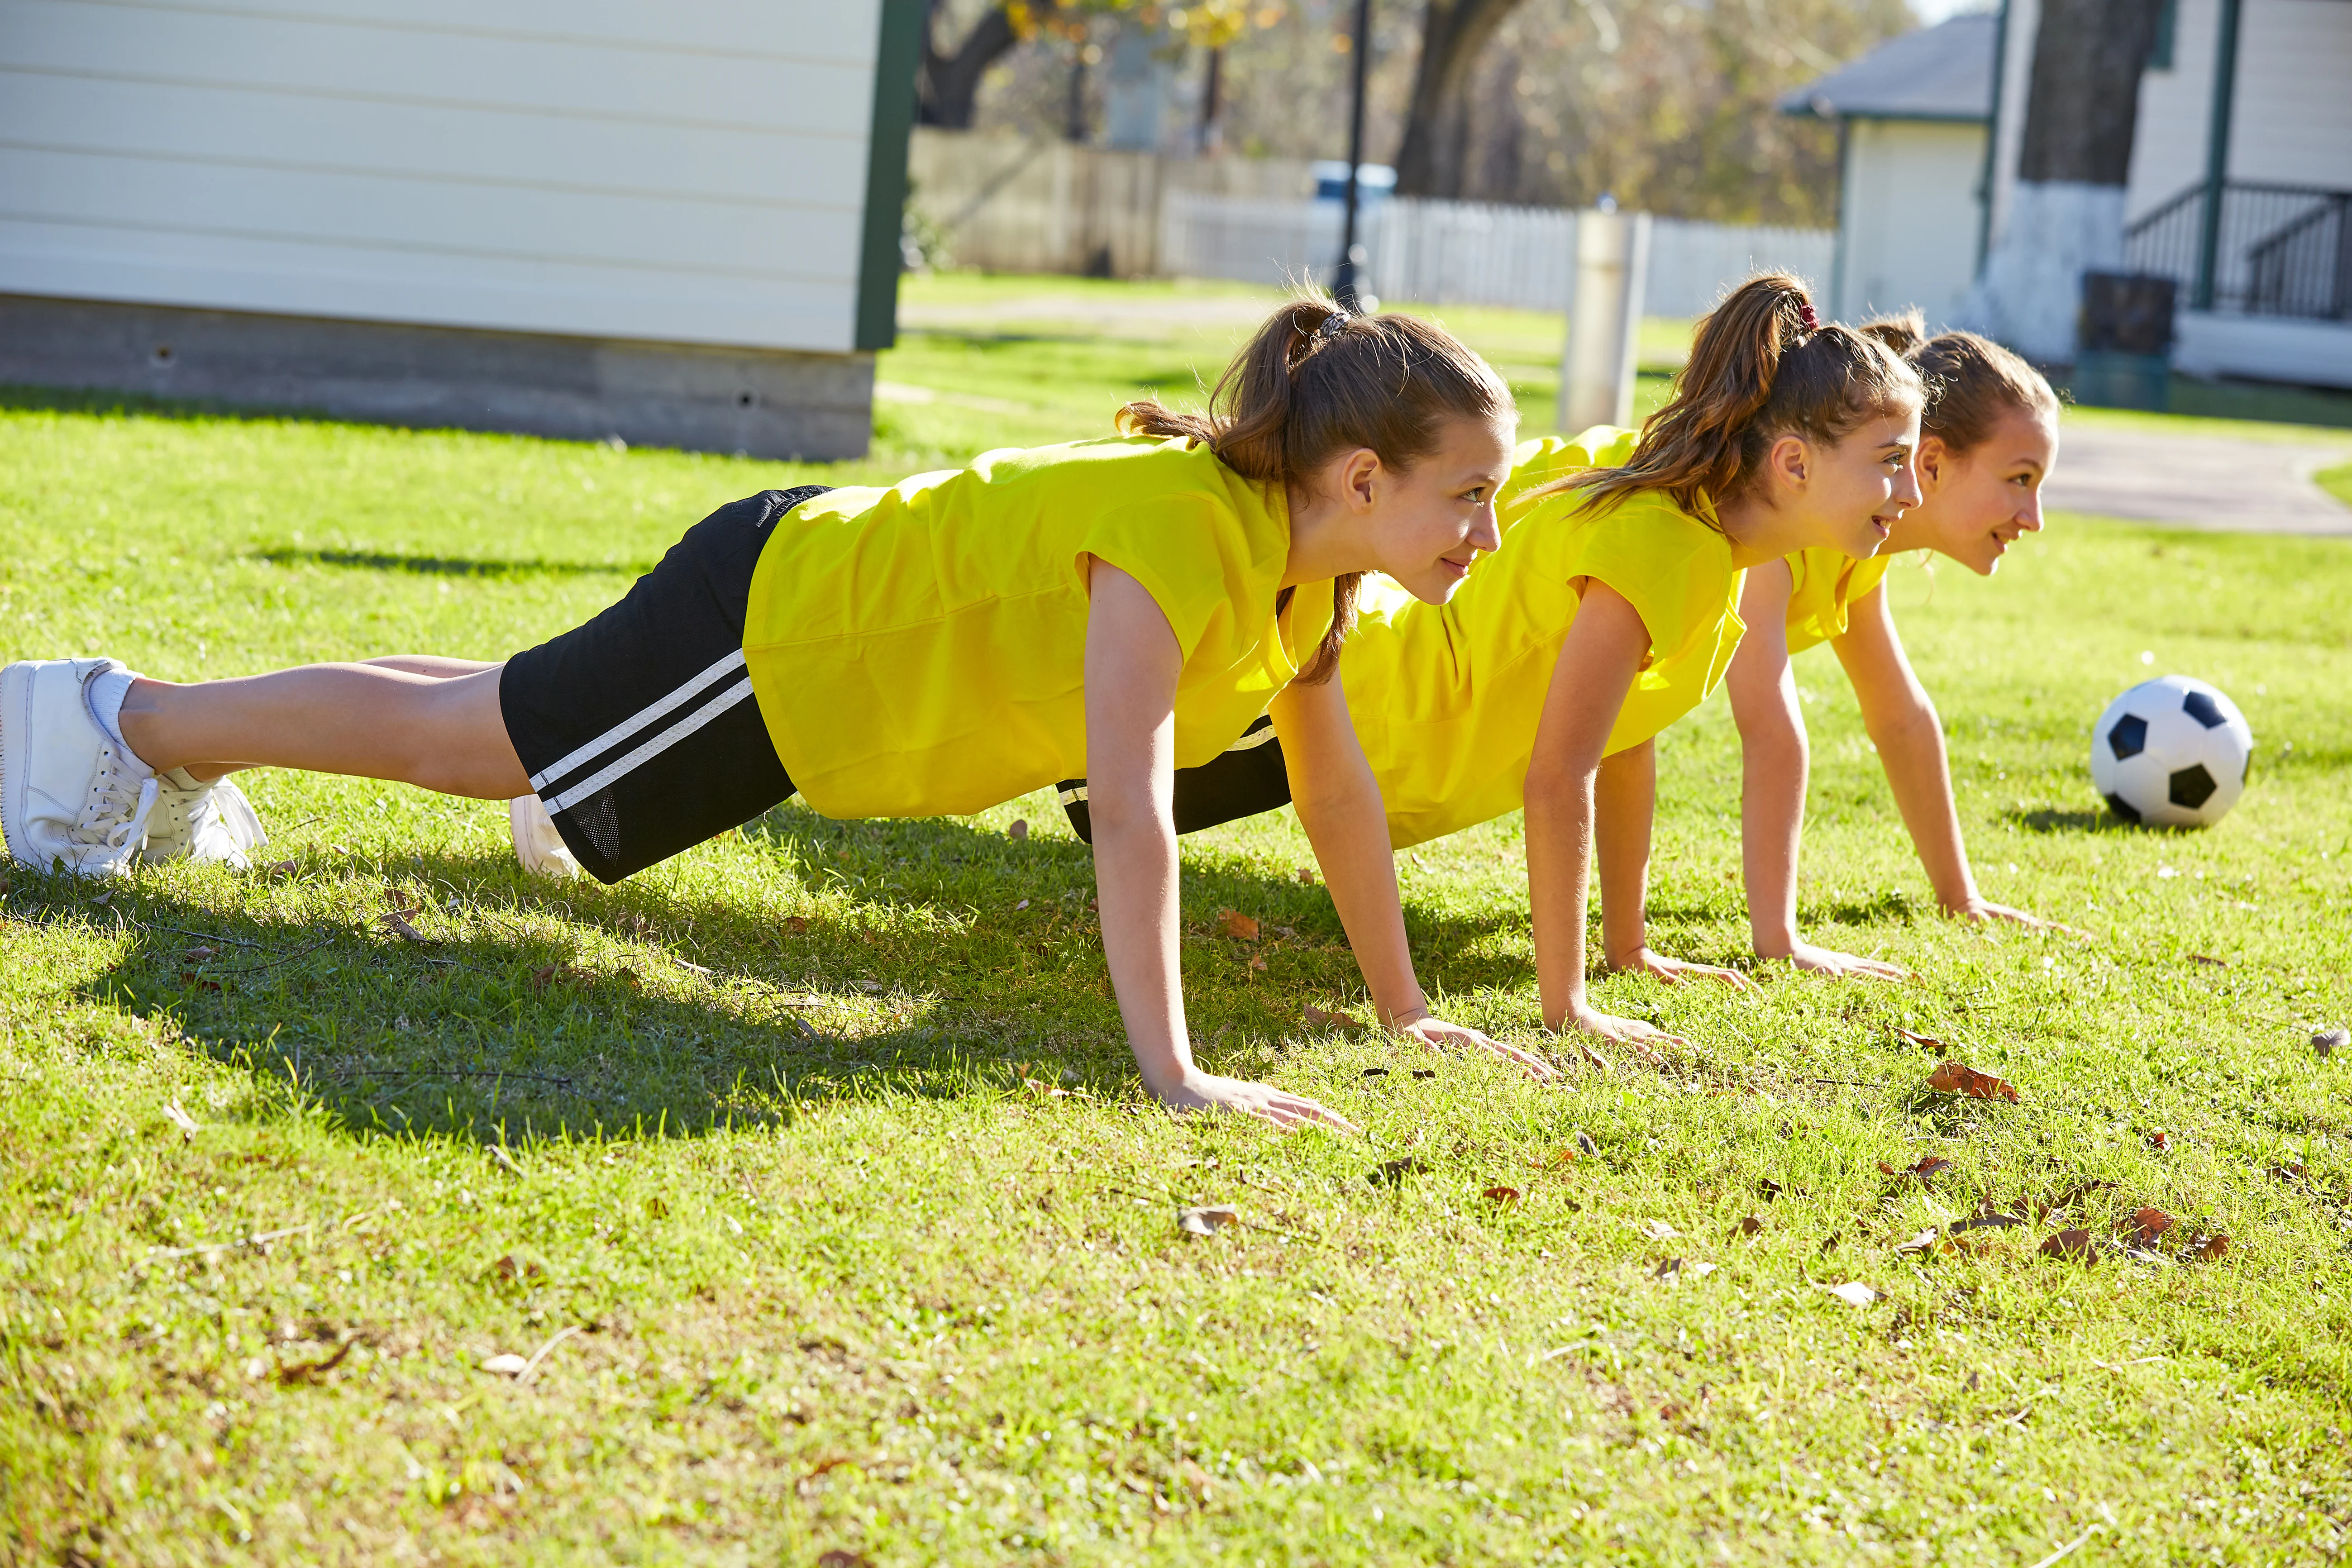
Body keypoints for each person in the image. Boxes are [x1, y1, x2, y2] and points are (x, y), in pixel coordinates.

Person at [0, 295, 1546, 1130]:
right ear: (1359, 480)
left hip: (800, 633)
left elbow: (1334, 793)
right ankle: (117, 726)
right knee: (465, 749)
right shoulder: (1178, 533)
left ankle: (151, 728)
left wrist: (1405, 1009)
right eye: (1466, 495)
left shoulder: (1304, 584)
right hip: (785, 638)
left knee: (500, 721)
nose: (1486, 530)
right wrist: (1173, 1071)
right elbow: (1131, 814)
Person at [1056, 274, 1927, 1056]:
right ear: (1793, 462)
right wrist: (1568, 1005)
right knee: (1091, 788)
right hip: (1370, 709)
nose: (1912, 494)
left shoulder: (1706, 539)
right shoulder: (1674, 547)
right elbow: (1561, 777)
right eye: (1893, 464)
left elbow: (1628, 731)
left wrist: (1628, 948)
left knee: (1101, 775)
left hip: (1386, 718)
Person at [1713, 311, 2071, 977]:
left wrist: (1960, 898)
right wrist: (1780, 943)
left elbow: (1900, 716)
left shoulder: (1861, 548)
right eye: (2020, 479)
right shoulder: (1785, 530)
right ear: (1931, 461)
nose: (2035, 518)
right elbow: (1771, 728)